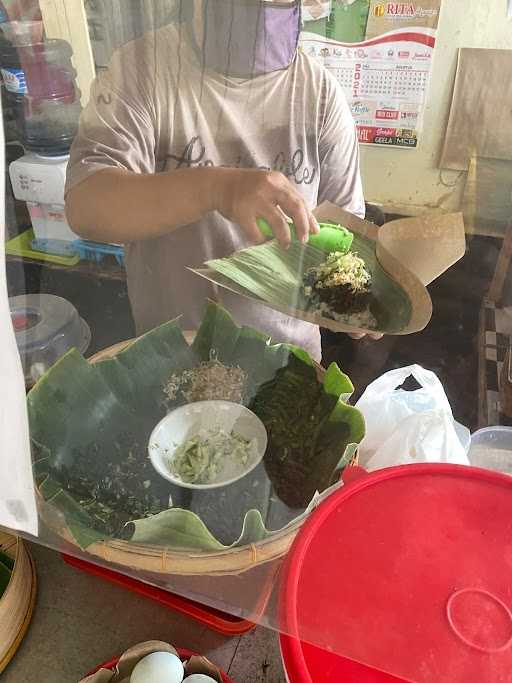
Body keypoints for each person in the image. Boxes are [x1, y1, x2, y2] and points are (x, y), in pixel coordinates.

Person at [65, 0, 368, 361]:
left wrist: (355, 304)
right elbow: (86, 206)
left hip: (285, 362)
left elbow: (346, 244)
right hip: (176, 358)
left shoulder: (320, 95)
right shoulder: (140, 70)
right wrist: (216, 188)